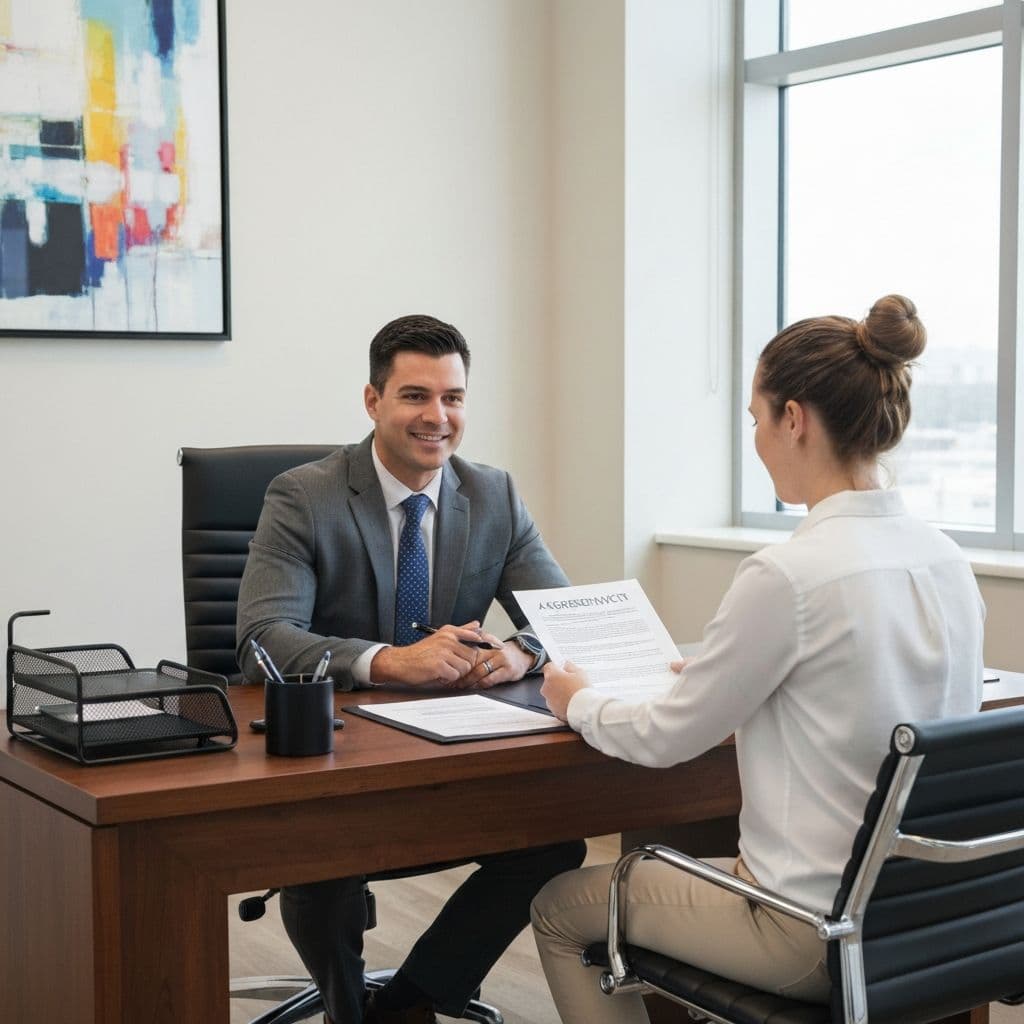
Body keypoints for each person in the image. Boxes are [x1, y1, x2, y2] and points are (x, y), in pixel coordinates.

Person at [531, 295, 986, 1023]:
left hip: (807, 931)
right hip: (929, 923)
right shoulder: (945, 560)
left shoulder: (788, 575)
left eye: (755, 418)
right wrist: (726, 680)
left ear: (794, 418)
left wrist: (574, 699)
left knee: (561, 910)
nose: (756, 436)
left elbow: (664, 738)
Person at [236, 314, 586, 1024]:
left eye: (453, 398)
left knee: (555, 838)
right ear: (373, 401)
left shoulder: (493, 495)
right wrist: (390, 661)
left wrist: (518, 650)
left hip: (449, 747)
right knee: (325, 856)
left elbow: (561, 616)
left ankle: (413, 1000)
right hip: (335, 755)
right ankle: (345, 1011)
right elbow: (261, 637)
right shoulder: (304, 496)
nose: (437, 417)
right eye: (415, 396)